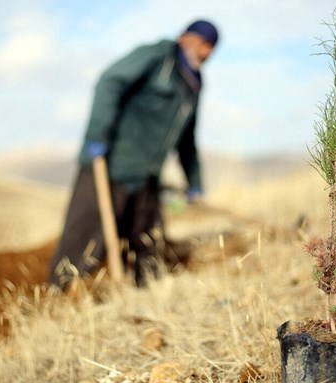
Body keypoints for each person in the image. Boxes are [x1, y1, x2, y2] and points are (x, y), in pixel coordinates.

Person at [48, 19, 219, 290]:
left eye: (212, 48)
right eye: (203, 44)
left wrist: (194, 183)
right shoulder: (157, 57)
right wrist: (97, 137)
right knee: (84, 239)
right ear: (186, 38)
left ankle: (144, 292)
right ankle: (61, 293)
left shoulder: (194, 85)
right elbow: (109, 82)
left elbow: (187, 140)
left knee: (147, 245)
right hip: (109, 164)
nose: (206, 53)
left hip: (147, 175)